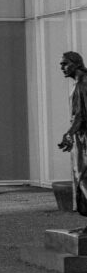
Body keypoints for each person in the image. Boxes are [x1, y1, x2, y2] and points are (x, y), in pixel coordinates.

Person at [58, 52, 87, 226]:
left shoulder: (82, 84)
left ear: (76, 64)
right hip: (81, 138)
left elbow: (81, 116)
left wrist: (69, 133)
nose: (61, 68)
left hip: (84, 139)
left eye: (64, 64)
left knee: (83, 177)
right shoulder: (80, 83)